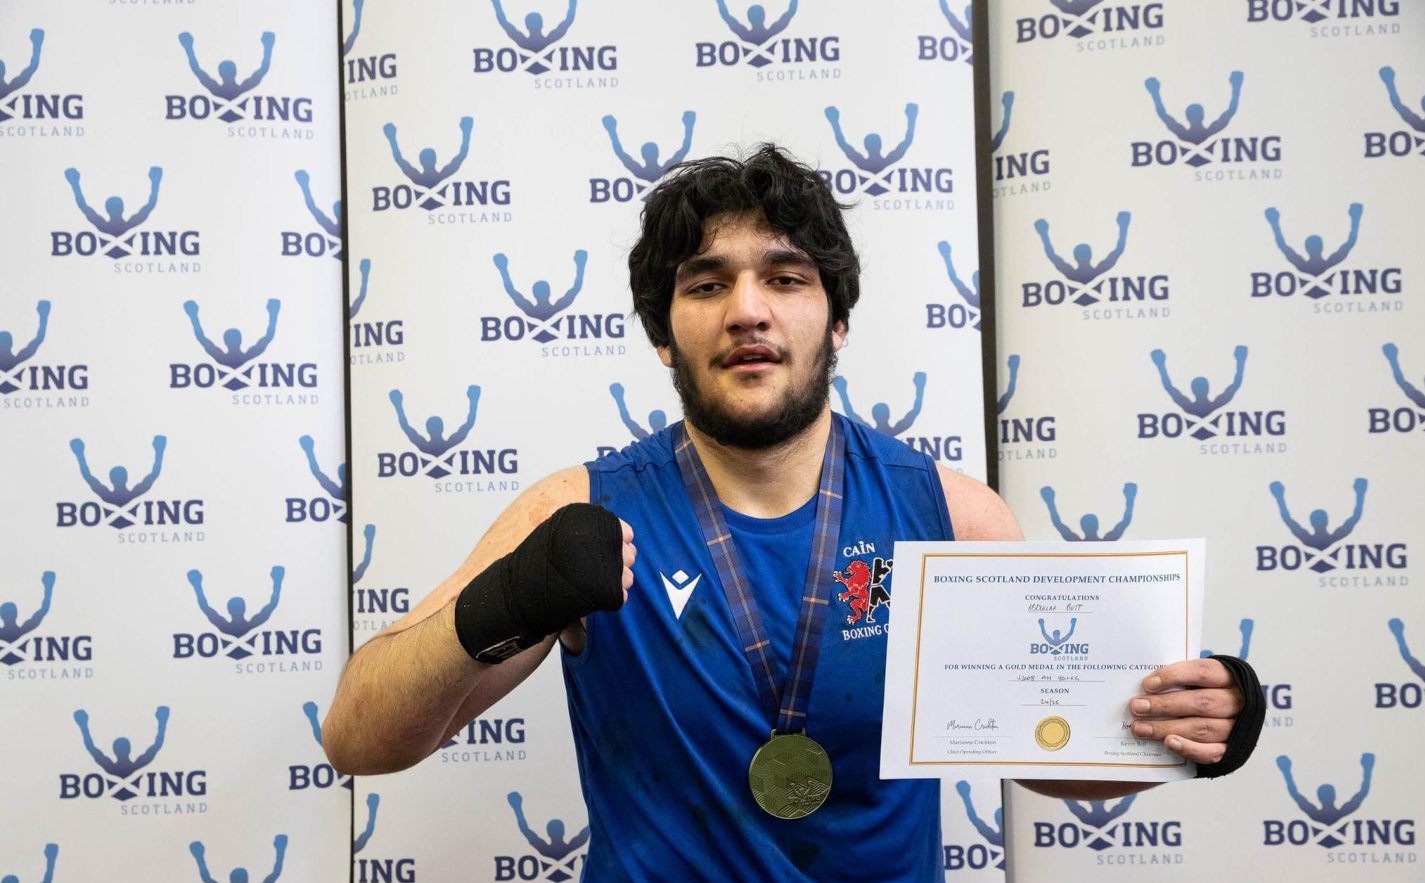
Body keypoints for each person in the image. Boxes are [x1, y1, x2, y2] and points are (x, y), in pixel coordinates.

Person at [323, 145, 1254, 880]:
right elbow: (356, 739)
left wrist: (1192, 723)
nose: (746, 310)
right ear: (662, 334)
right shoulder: (581, 512)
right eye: (704, 283)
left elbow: (1043, 759)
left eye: (785, 277)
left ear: (836, 319)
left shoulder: (951, 514)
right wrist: (503, 602)